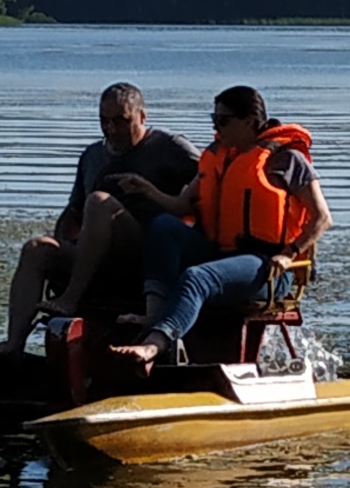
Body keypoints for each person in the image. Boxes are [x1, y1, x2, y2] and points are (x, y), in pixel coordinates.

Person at [110, 85, 331, 369]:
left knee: (196, 278)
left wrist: (289, 253)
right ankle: (154, 314)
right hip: (222, 255)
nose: (217, 127)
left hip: (269, 267)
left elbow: (322, 218)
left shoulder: (287, 160)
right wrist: (148, 190)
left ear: (250, 121)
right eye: (213, 119)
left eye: (223, 121)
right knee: (164, 226)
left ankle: (153, 345)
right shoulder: (220, 157)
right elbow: (183, 206)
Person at [0, 83, 200, 358]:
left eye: (121, 121)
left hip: (144, 251)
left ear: (142, 117)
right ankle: (13, 344)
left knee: (99, 202)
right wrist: (60, 244)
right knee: (37, 248)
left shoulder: (170, 147)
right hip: (95, 252)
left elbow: (211, 173)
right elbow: (73, 212)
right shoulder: (92, 155)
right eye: (104, 121)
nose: (112, 129)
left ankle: (71, 298)